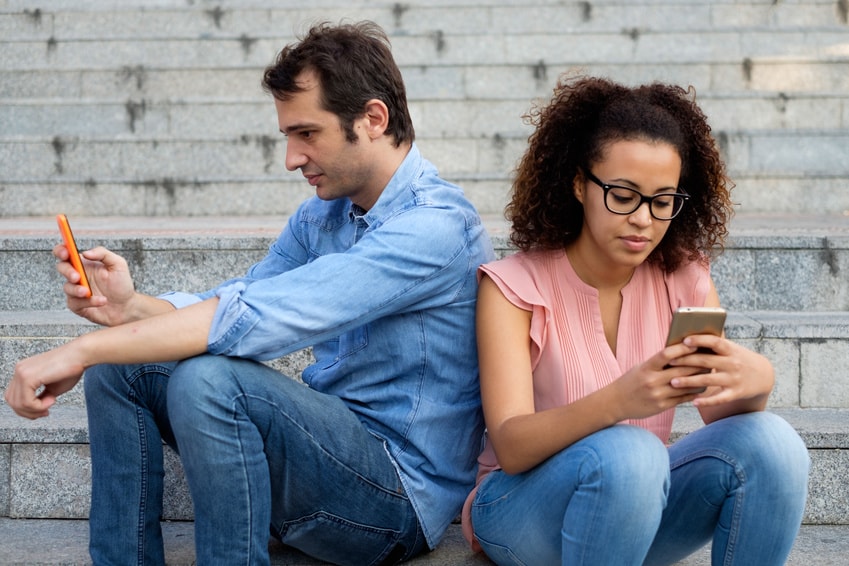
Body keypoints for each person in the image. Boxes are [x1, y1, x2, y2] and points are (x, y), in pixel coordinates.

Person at [5, 21, 494, 566]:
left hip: (395, 501)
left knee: (208, 379)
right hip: (322, 455)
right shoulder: (322, 215)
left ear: (372, 119)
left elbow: (262, 318)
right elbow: (245, 294)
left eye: (307, 133)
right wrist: (130, 309)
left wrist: (79, 349)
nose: (291, 158)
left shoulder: (436, 228)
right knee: (122, 368)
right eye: (288, 136)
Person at [460, 75, 810, 565]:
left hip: (634, 506)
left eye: (662, 201)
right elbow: (513, 446)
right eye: (623, 196)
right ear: (580, 183)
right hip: (520, 508)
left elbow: (720, 422)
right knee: (633, 454)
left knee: (774, 444)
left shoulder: (685, 278)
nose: (644, 219)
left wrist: (755, 385)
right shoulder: (513, 286)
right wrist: (620, 400)